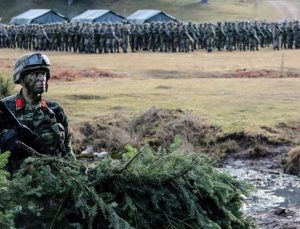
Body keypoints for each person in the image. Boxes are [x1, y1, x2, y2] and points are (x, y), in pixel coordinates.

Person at [0, 52, 75, 173]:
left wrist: (75, 174)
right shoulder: (5, 108)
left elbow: (67, 146)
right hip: (14, 185)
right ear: (22, 79)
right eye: (35, 74)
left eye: (44, 73)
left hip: (53, 182)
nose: (42, 78)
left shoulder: (55, 110)